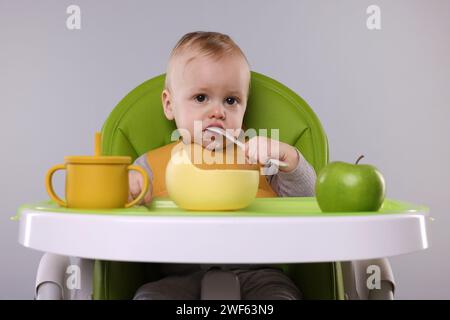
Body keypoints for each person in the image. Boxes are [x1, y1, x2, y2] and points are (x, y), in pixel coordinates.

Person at [129, 31, 316, 300]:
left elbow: (308, 203)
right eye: (201, 98)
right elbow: (117, 213)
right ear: (170, 105)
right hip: (176, 278)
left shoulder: (261, 159)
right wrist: (127, 187)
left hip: (260, 274)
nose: (218, 112)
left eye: (231, 100)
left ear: (244, 106)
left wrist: (288, 158)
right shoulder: (151, 164)